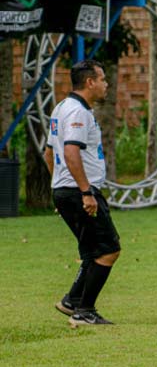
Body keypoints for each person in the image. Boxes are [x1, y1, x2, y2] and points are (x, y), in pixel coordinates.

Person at [43, 60, 120, 326]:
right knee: (108, 249)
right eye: (103, 79)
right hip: (79, 190)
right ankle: (85, 311)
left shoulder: (61, 108)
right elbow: (70, 153)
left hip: (66, 190)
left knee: (91, 251)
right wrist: (85, 192)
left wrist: (59, 188)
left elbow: (49, 152)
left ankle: (72, 301)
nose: (106, 84)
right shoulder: (78, 113)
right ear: (90, 82)